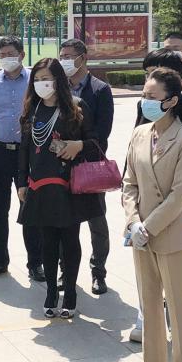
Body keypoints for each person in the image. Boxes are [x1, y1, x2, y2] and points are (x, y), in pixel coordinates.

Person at [121, 66, 182, 362]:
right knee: (148, 304)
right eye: (144, 94)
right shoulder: (140, 134)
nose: (145, 101)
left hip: (171, 235)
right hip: (140, 234)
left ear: (170, 100)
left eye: (151, 96)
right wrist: (133, 222)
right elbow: (128, 183)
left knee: (178, 308)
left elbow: (179, 194)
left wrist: (148, 226)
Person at [128, 49, 182, 343]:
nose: (149, 92)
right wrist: (134, 219)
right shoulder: (145, 112)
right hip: (148, 202)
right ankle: (148, 325)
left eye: (161, 74)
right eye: (148, 75)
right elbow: (135, 158)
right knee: (149, 275)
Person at [15, 58, 104, 317]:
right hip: (40, 186)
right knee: (48, 241)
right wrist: (21, 182)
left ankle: (71, 292)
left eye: (48, 78)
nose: (43, 84)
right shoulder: (31, 109)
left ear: (59, 80)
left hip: (69, 185)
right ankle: (51, 291)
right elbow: (24, 149)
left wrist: (78, 145)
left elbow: (95, 142)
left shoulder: (75, 107)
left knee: (70, 239)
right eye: (38, 79)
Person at [0, 37, 44, 282]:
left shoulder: (36, 81)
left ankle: (36, 263)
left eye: (11, 53)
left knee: (31, 207)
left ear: (22, 55)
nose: (6, 57)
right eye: (2, 54)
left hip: (28, 152)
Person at [57, 37, 114, 294]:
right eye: (62, 56)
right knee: (64, 224)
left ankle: (98, 272)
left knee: (96, 224)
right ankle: (65, 272)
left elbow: (102, 135)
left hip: (89, 168)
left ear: (83, 58)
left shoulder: (100, 90)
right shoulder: (57, 89)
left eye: (69, 56)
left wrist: (79, 145)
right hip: (61, 166)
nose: (65, 61)